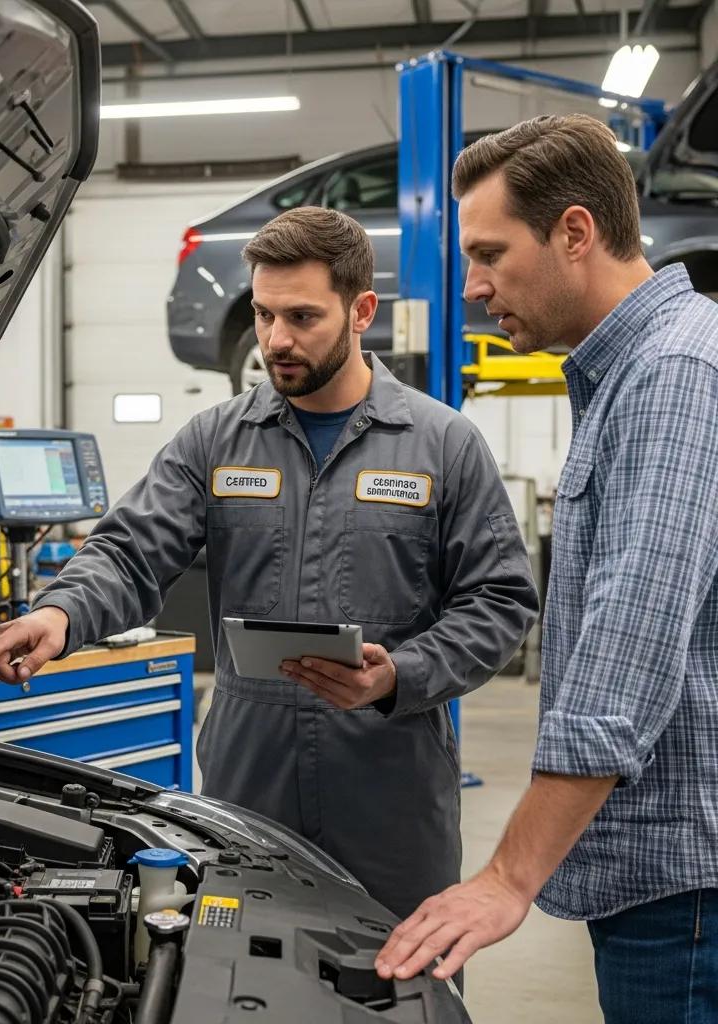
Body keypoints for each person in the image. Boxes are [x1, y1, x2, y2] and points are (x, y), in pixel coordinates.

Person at [0, 205, 538, 921]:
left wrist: (403, 674)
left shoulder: (442, 445)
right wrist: (61, 612)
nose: (277, 339)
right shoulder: (218, 439)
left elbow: (499, 601)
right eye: (265, 314)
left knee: (401, 985)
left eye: (302, 317)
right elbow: (129, 550)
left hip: (390, 785)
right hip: (248, 779)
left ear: (361, 309)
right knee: (235, 975)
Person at [375, 113, 718, 1021]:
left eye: (490, 253)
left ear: (575, 231)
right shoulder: (635, 370)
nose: (475, 286)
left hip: (686, 890)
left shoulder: (676, 371)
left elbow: (630, 643)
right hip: (666, 875)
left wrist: (507, 876)